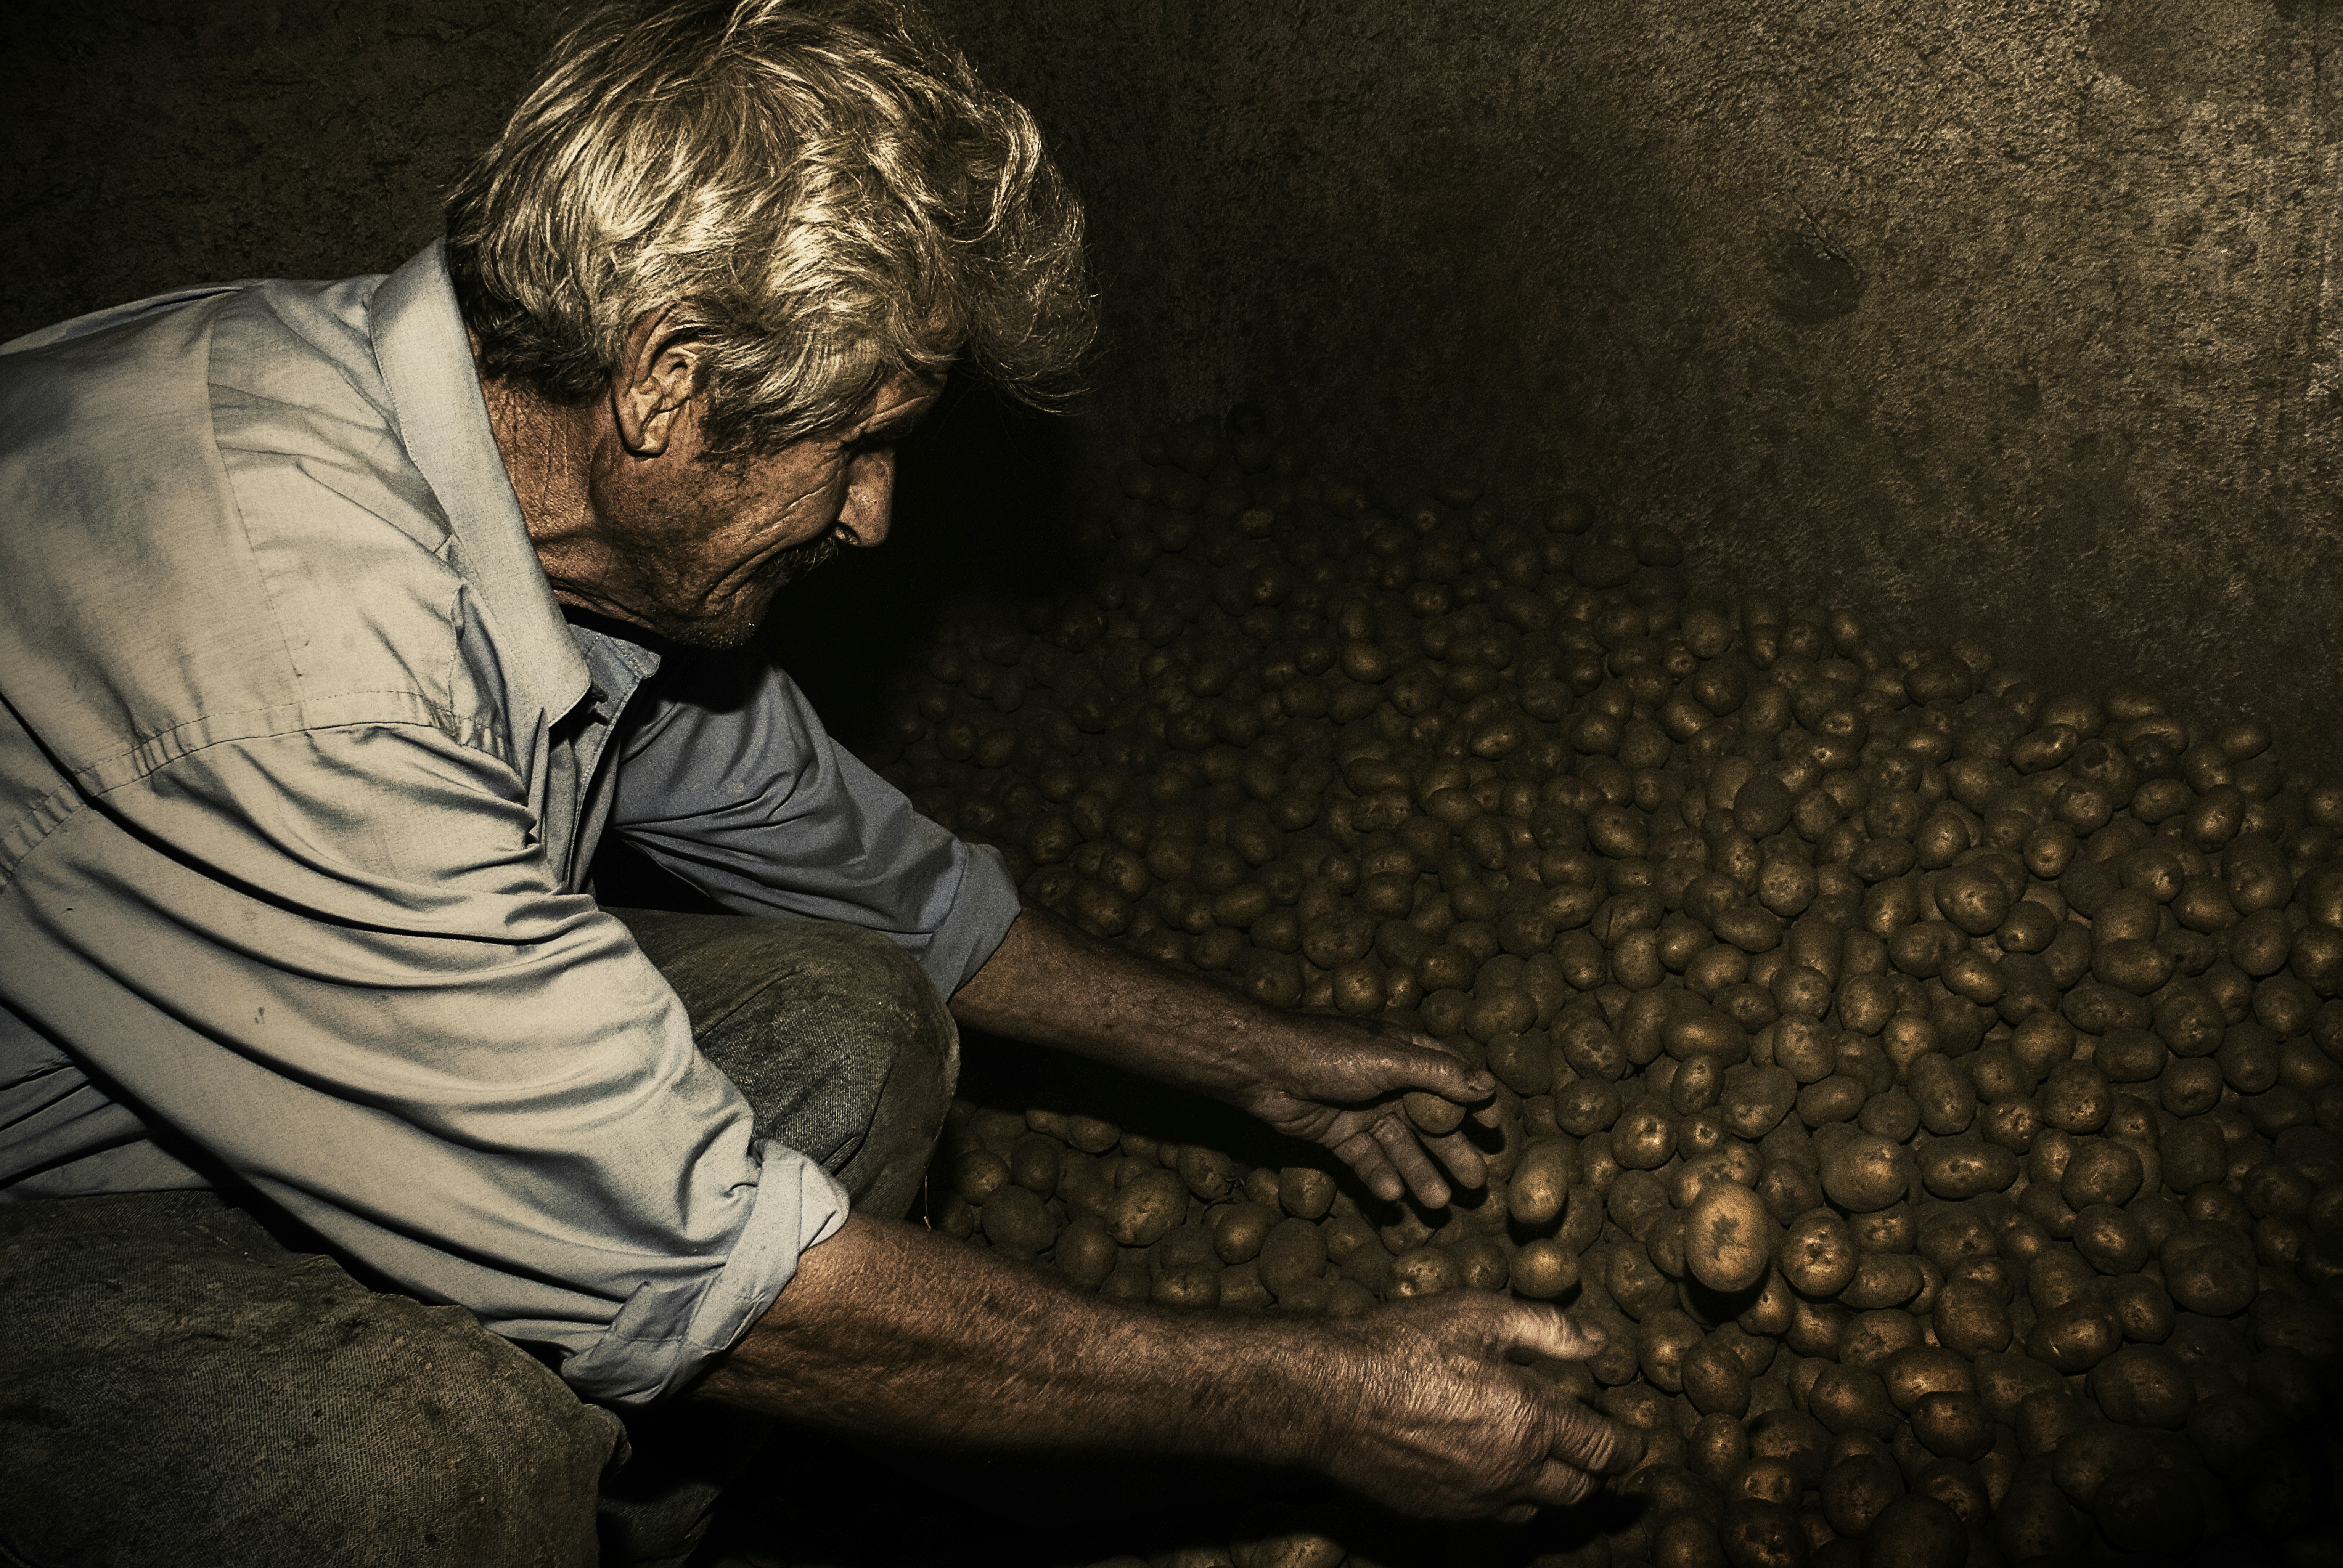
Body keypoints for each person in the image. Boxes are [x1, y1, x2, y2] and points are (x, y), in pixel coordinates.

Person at [0, 0, 1640, 1562]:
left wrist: (1256, 1062)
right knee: (422, 1454)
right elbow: (724, 1280)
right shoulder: (299, 674)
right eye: (856, 444)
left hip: (196, 1028)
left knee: (850, 1025)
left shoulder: (526, 485)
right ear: (664, 384)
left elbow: (865, 873)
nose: (877, 518)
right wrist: (1323, 1401)